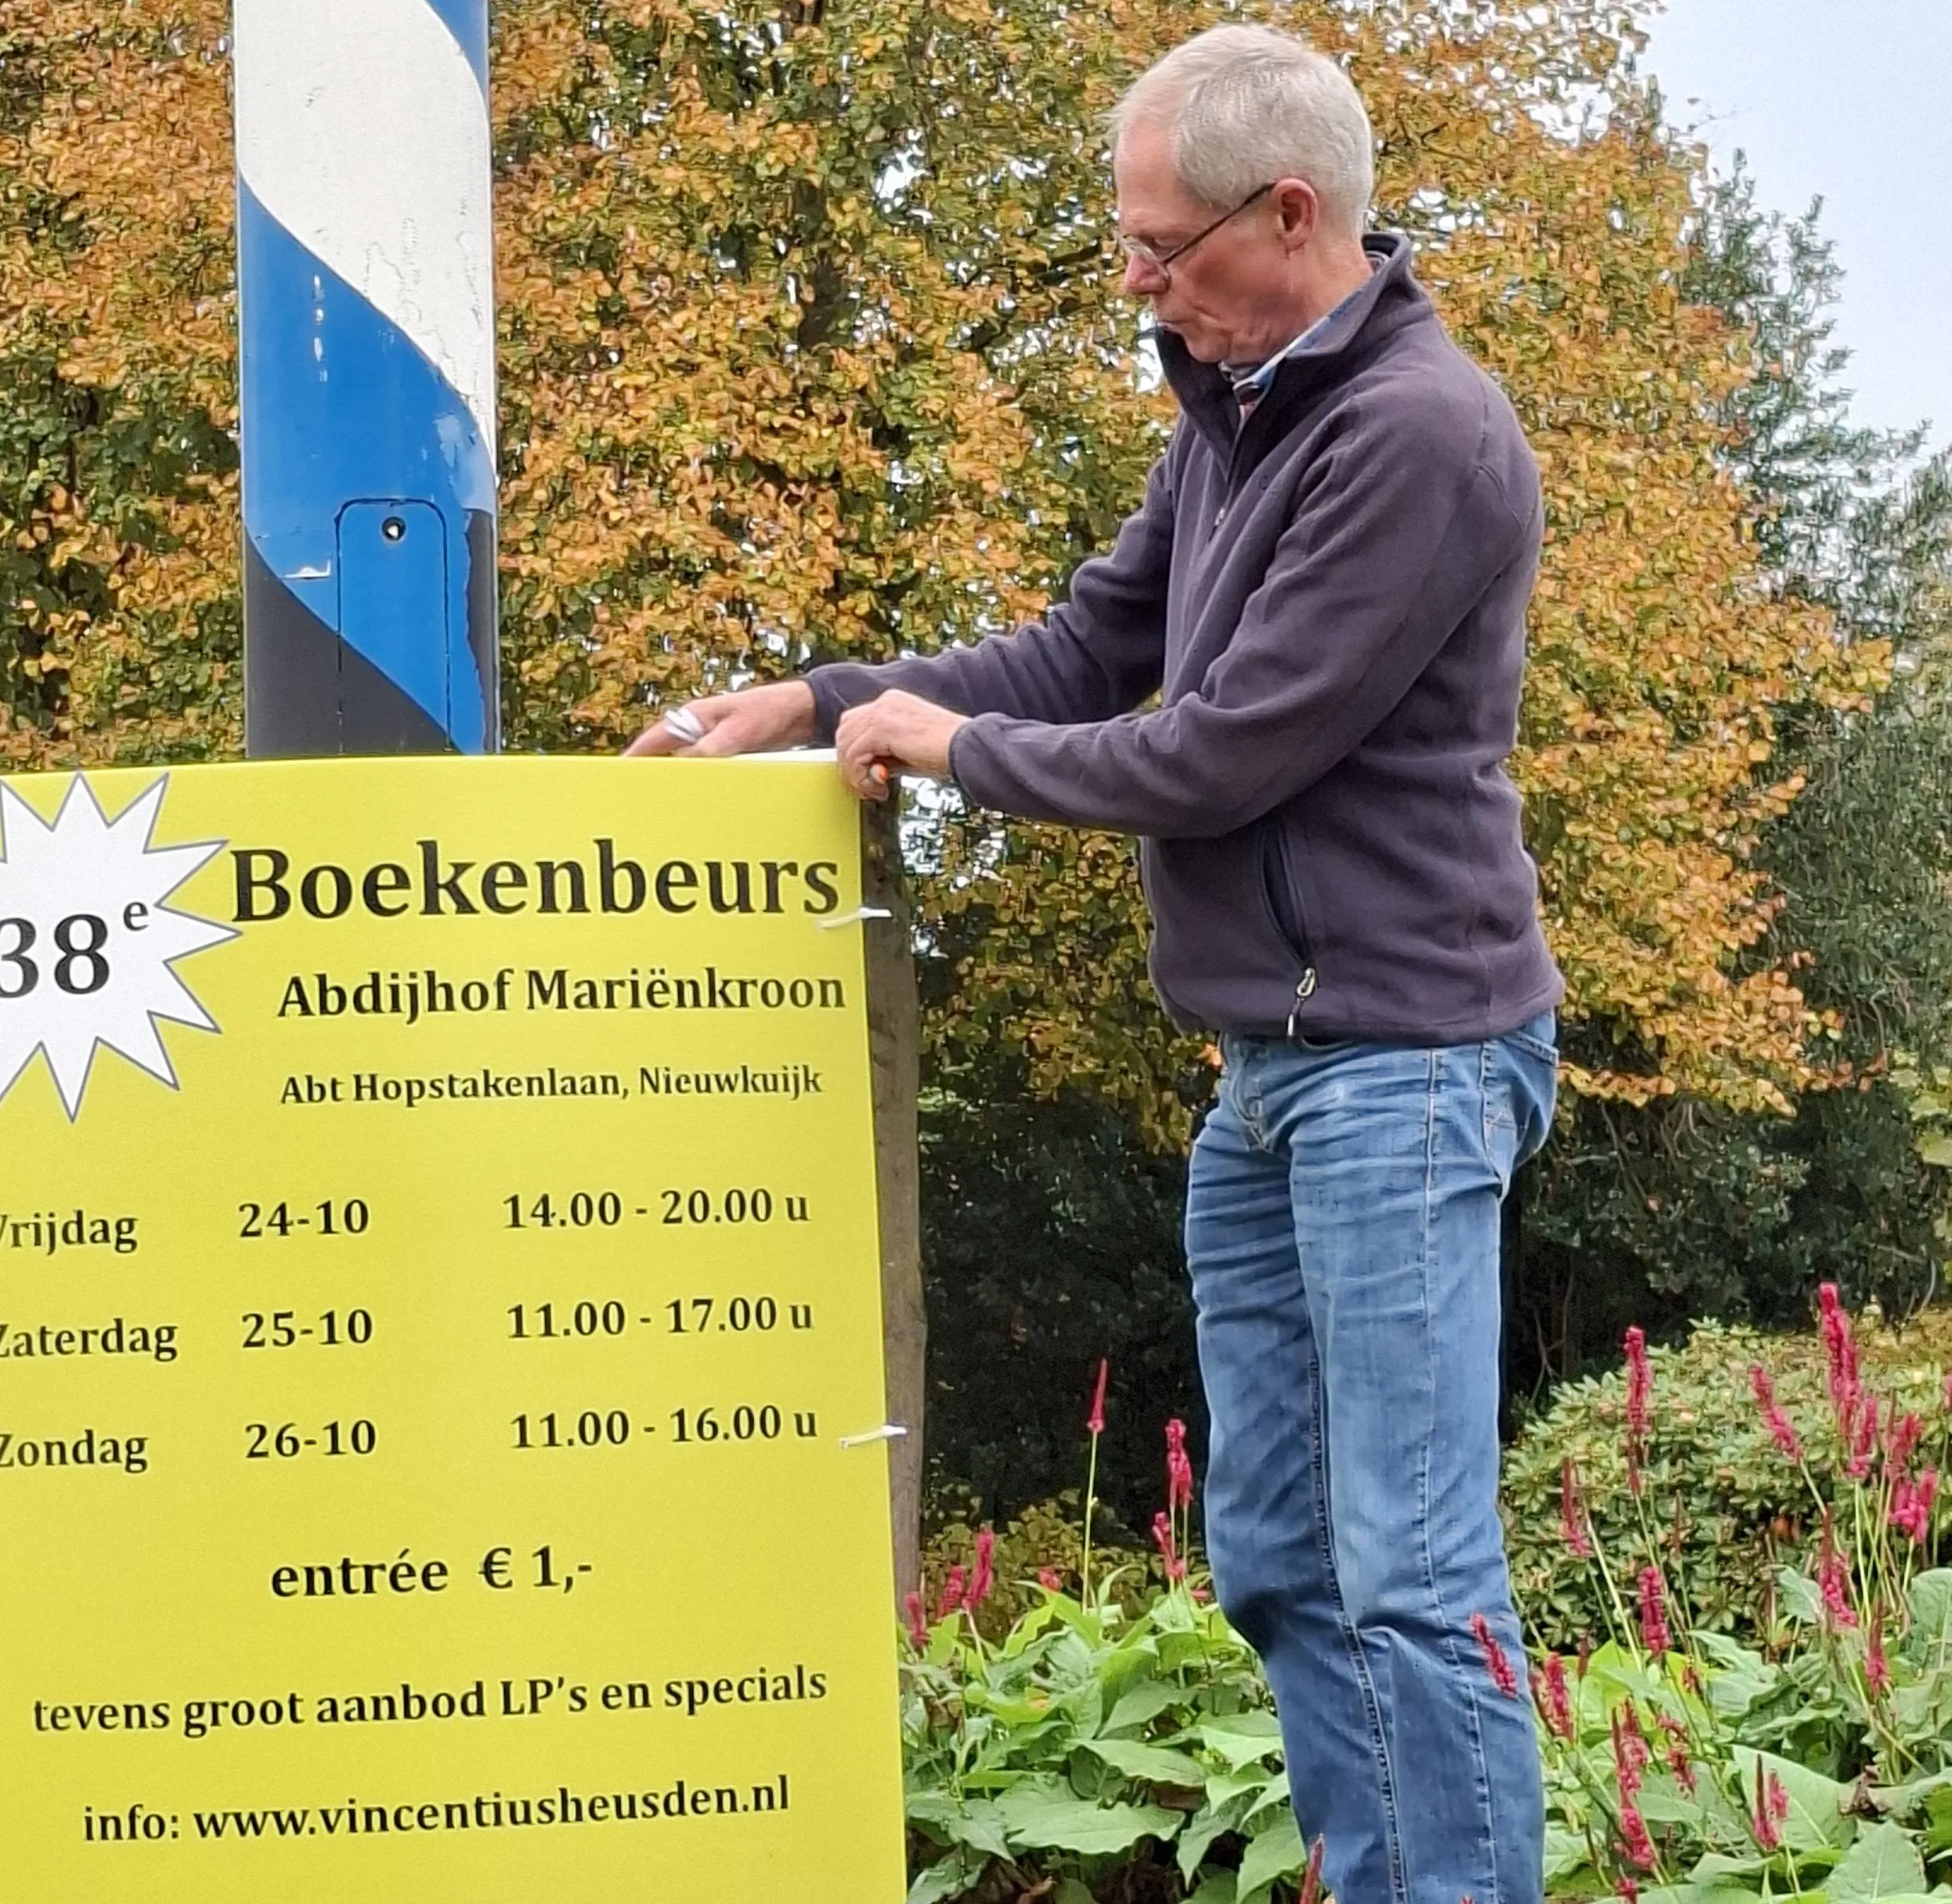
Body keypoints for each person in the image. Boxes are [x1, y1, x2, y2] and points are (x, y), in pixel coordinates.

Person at [627, 22, 1561, 1904]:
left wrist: (939, 751)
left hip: (1410, 1059)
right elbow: (1084, 650)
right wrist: (818, 700)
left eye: (1162, 247)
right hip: (1273, 1070)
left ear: (1288, 213)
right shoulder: (1236, 413)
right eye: (1125, 245)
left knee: (1412, 1559)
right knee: (1284, 1553)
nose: (1139, 282)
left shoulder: (1416, 439)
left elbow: (1219, 749)